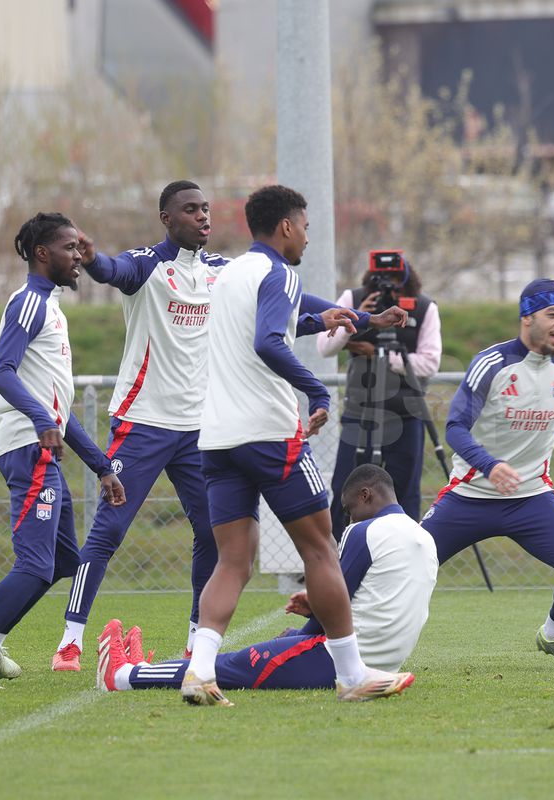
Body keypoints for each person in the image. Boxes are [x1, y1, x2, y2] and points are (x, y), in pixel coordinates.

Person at [189, 184, 412, 705]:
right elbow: (270, 339)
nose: (308, 238)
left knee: (233, 562)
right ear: (286, 226)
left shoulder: (232, 274)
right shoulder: (279, 273)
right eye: (306, 227)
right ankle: (354, 675)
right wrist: (313, 388)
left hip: (218, 438)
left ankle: (199, 670)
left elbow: (294, 316)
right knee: (320, 549)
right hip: (268, 433)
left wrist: (364, 319)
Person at [0, 213, 127, 689]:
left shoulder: (52, 308)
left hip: (44, 447)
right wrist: (41, 420)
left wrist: (102, 466)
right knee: (35, 564)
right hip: (28, 448)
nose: (79, 257)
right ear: (43, 254)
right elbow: (2, 371)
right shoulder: (29, 304)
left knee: (60, 562)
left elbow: (59, 409)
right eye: (69, 248)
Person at [49, 180, 226, 672]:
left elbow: (282, 298)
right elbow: (112, 270)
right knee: (108, 531)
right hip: (143, 423)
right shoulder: (147, 264)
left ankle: (196, 640)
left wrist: (348, 317)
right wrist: (95, 257)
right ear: (167, 219)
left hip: (197, 430)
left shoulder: (220, 273)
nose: (203, 217)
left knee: (211, 531)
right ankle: (71, 640)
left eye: (206, 209)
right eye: (191, 210)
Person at [96, 465, 438, 695]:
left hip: (335, 659)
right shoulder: (424, 537)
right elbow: (368, 601)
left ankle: (125, 676)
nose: (349, 517)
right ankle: (143, 666)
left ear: (366, 496)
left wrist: (300, 638)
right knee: (234, 660)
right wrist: (309, 620)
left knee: (224, 665)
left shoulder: (366, 531)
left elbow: (334, 609)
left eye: (349, 509)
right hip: (385, 661)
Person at [419, 278, 554, 671]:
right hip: (469, 497)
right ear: (527, 316)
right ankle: (322, 634)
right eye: (553, 314)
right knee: (405, 562)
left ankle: (553, 637)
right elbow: (455, 427)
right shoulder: (493, 363)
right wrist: (490, 465)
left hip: (531, 498)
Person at [318, 254, 441, 536]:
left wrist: (382, 356)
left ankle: (403, 556)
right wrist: (357, 318)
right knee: (345, 489)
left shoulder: (423, 307)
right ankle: (339, 558)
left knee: (404, 493)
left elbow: (430, 362)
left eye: (397, 282)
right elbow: (325, 348)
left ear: (409, 280)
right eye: (381, 279)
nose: (388, 288)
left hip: (406, 413)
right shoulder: (354, 298)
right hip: (360, 413)